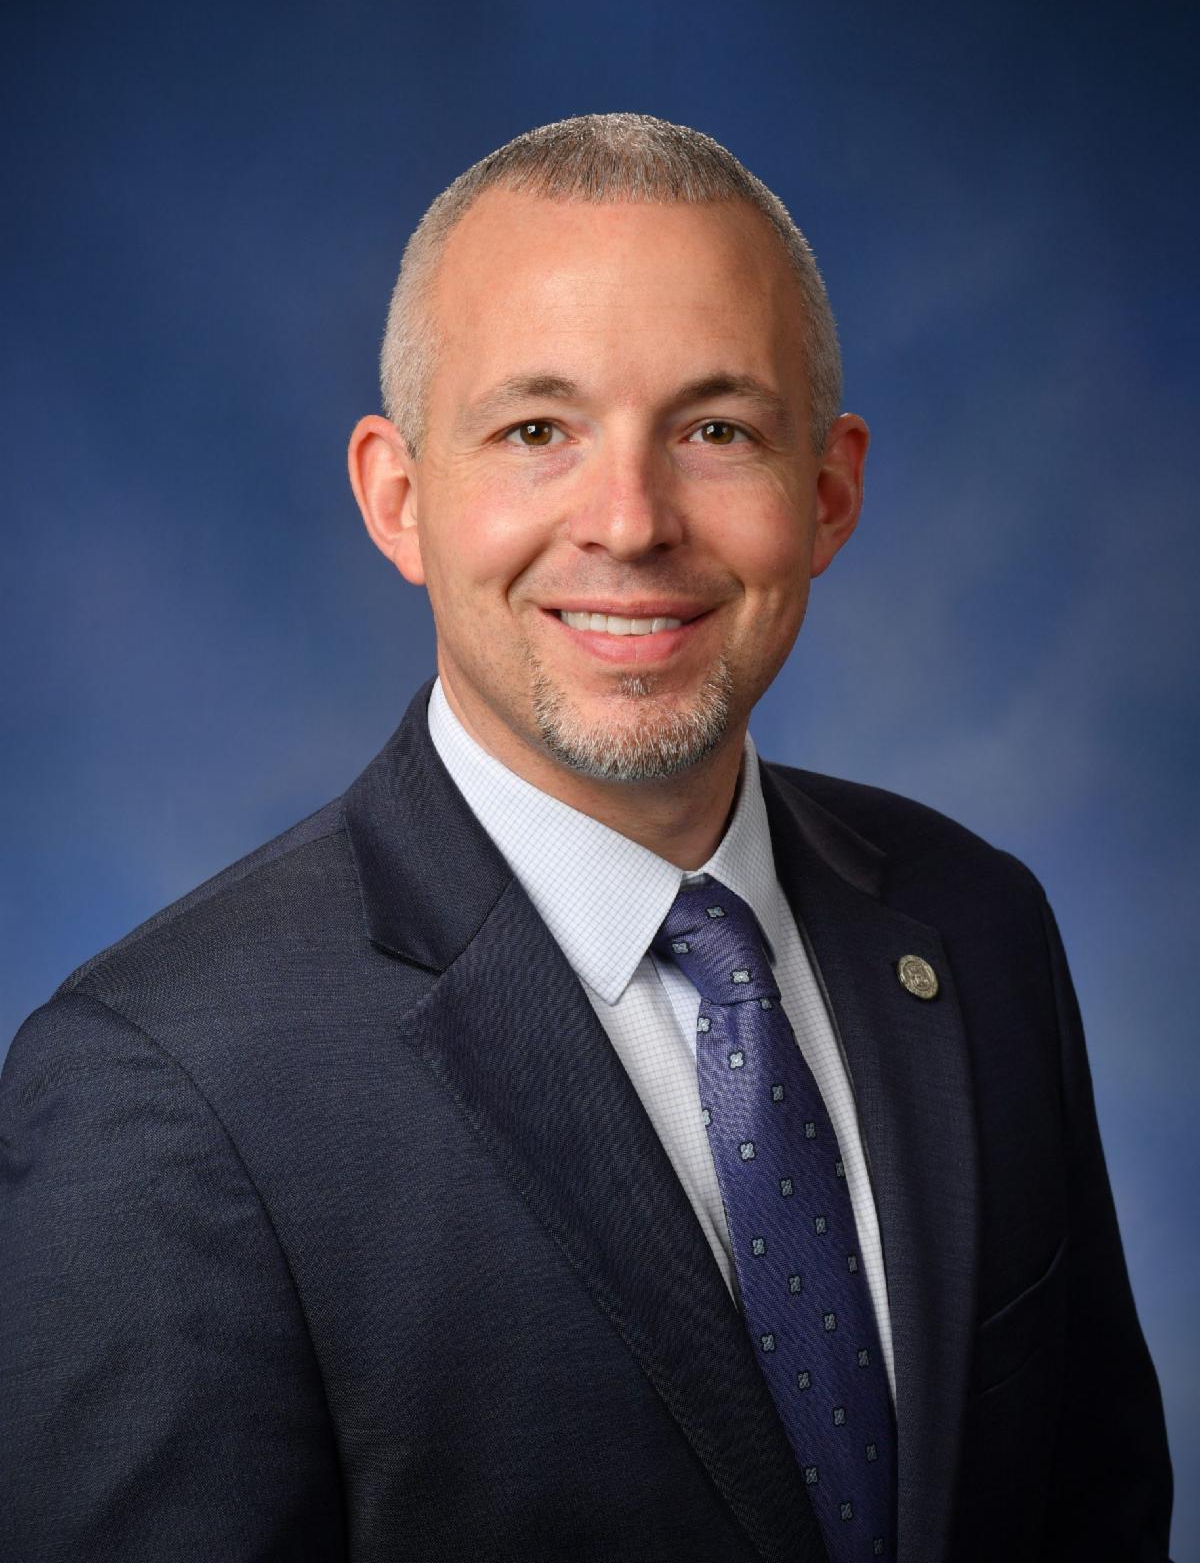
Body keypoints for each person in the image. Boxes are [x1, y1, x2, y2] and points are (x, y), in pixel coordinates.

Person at [0, 114, 1173, 1563]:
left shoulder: (978, 925)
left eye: (715, 430)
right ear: (398, 498)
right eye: (536, 431)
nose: (630, 522)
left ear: (828, 493)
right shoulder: (163, 1087)